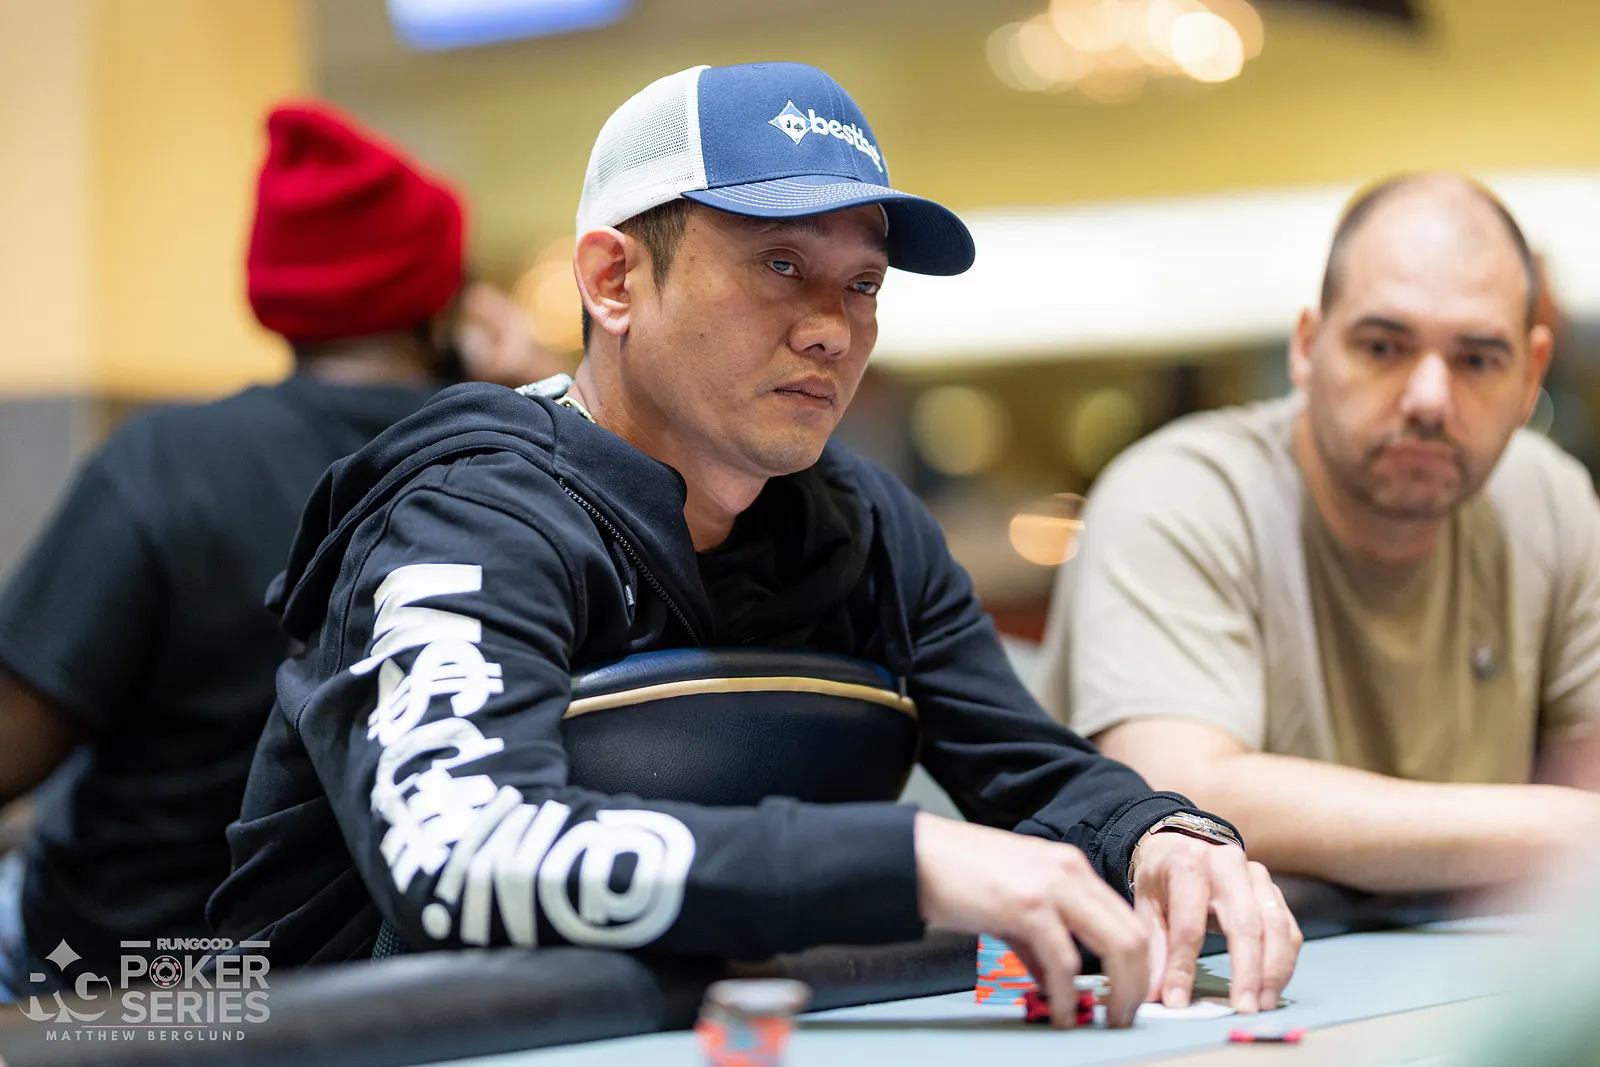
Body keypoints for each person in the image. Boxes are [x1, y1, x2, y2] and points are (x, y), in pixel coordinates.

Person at [208, 62, 1300, 1027]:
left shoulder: (867, 524)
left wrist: (1160, 833)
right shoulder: (467, 513)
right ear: (613, 280)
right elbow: (462, 850)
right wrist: (904, 859)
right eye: (780, 263)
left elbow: (1030, 769)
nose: (832, 327)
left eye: (863, 283)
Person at [0, 101, 550, 999]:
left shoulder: (168, 460)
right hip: (381, 981)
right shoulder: (511, 466)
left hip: (118, 980)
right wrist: (523, 388)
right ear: (443, 301)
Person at [1036, 173, 1600, 896]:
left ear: (1531, 375)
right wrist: (1557, 828)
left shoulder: (1550, 502)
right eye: (1383, 347)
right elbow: (1173, 799)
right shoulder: (1179, 495)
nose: (1430, 399)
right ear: (1307, 347)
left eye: (1478, 360)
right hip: (1204, 963)